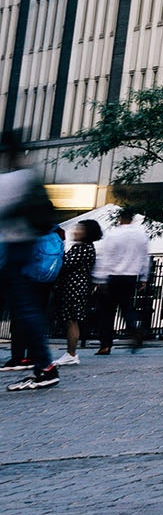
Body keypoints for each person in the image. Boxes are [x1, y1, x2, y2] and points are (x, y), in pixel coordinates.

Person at [1, 130, 59, 391]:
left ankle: (45, 367)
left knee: (24, 309)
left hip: (11, 249)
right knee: (26, 308)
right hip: (26, 248)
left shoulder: (7, 182)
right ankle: (44, 366)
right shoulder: (28, 177)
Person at [92, 207, 153, 354]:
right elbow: (145, 257)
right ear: (132, 219)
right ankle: (134, 329)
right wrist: (144, 278)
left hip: (112, 276)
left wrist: (99, 278)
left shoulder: (113, 234)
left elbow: (106, 256)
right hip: (131, 276)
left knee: (106, 311)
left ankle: (105, 344)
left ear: (120, 219)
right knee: (126, 307)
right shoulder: (141, 236)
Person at [51, 219, 99, 365]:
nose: (76, 231)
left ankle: (71, 353)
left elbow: (66, 264)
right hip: (75, 287)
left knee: (71, 320)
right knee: (70, 320)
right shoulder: (84, 248)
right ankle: (70, 353)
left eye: (80, 229)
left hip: (74, 287)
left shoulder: (83, 248)